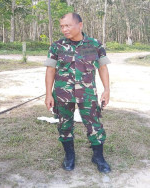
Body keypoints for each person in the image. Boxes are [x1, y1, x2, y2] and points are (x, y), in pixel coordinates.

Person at [44, 13, 111, 173]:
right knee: (64, 125)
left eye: (67, 25)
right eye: (61, 26)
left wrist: (107, 89)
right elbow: (50, 70)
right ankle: (69, 156)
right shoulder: (56, 46)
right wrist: (48, 94)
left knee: (94, 125)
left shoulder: (95, 44)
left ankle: (98, 157)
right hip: (62, 94)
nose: (64, 29)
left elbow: (102, 67)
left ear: (80, 25)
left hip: (87, 93)